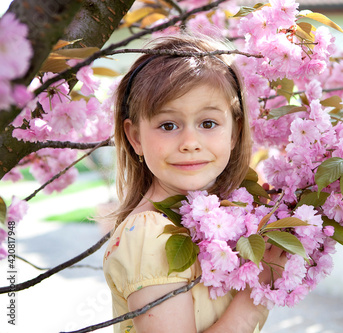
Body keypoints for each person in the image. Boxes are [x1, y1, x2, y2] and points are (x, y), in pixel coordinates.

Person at [103, 33, 286, 333]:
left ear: (235, 131)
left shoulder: (214, 219)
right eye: (168, 125)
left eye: (208, 123)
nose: (190, 142)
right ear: (135, 137)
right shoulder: (151, 235)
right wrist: (257, 293)